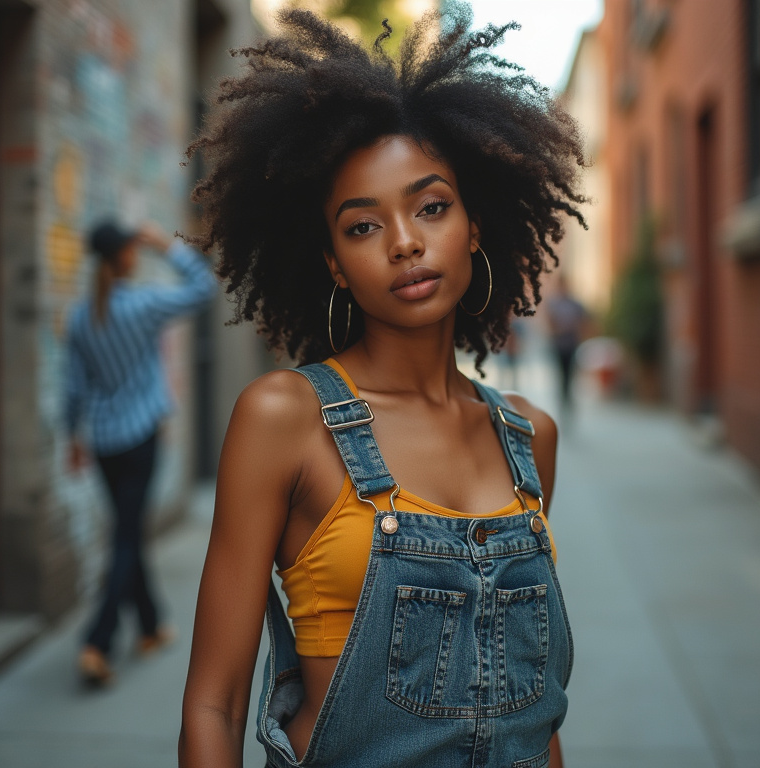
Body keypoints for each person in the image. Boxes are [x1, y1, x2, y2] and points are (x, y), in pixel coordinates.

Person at [179, 5, 587, 766]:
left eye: (432, 207)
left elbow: (535, 707)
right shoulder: (285, 418)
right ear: (333, 263)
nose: (404, 243)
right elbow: (215, 701)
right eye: (362, 226)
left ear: (473, 225)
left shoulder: (530, 437)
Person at [65, 218, 218, 686]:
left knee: (127, 530)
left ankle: (150, 626)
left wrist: (73, 436)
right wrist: (165, 247)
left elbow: (73, 387)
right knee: (127, 538)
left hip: (105, 442)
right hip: (142, 439)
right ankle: (98, 640)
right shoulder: (143, 305)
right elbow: (204, 288)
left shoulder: (80, 316)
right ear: (126, 255)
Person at [546, 276, 589, 405]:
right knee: (560, 370)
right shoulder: (554, 304)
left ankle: (567, 394)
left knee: (570, 370)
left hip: (571, 342)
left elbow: (583, 321)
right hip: (558, 343)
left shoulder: (575, 304)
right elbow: (549, 322)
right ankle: (562, 394)